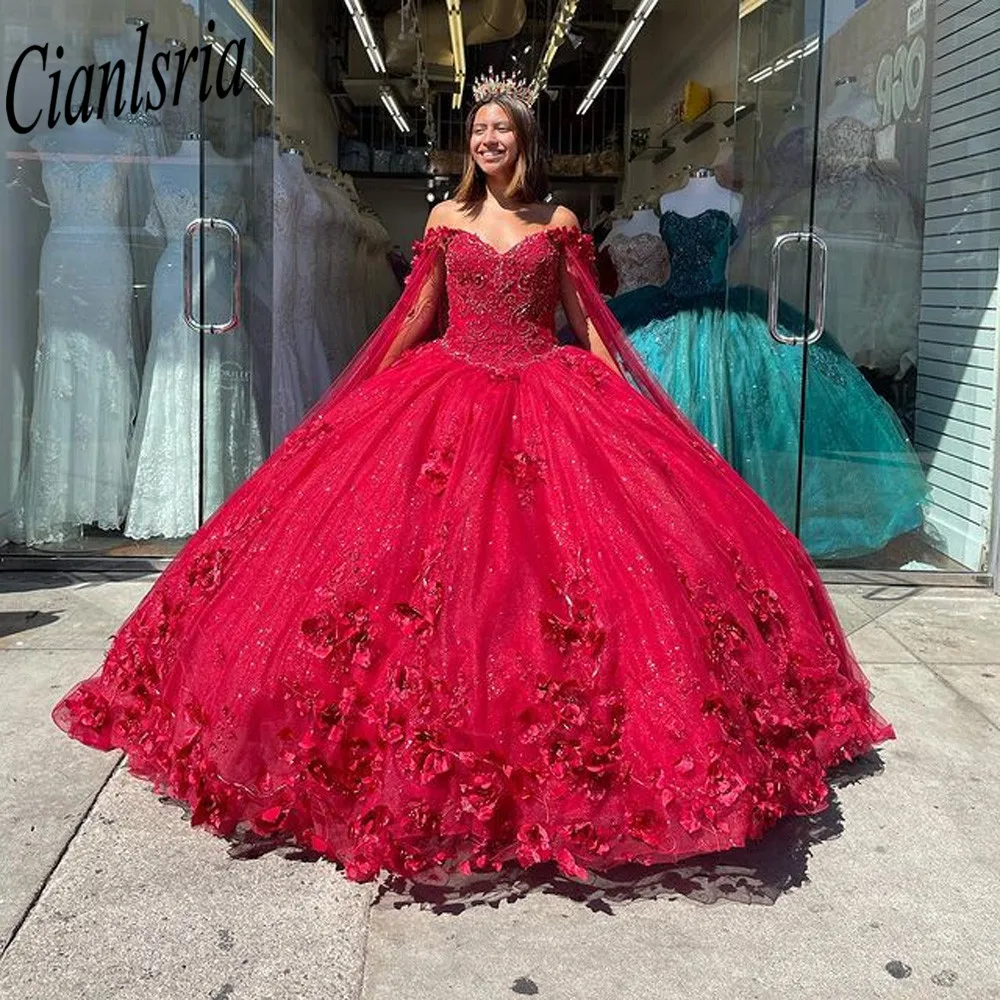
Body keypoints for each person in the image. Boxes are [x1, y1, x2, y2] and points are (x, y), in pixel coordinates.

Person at [52, 70, 893, 884]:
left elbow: (584, 319)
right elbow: (420, 311)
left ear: (524, 140)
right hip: (448, 385)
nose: (489, 139)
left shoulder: (557, 220)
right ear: (470, 143)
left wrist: (620, 397)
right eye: (479, 129)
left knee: (562, 575)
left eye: (502, 129)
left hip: (546, 391)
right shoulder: (445, 217)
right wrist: (372, 387)